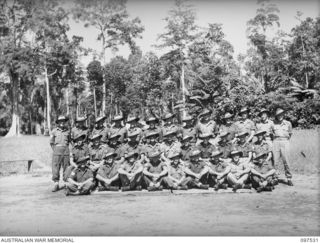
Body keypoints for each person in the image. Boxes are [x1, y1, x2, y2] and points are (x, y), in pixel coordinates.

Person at [271, 108, 293, 186]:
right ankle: (275, 178)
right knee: (275, 161)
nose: (280, 116)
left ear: (283, 114)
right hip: (276, 142)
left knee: (286, 161)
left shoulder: (288, 123)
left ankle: (289, 178)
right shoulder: (273, 123)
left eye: (281, 114)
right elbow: (271, 134)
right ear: (276, 116)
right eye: (278, 115)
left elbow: (290, 134)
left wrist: (284, 140)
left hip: (285, 142)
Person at [50, 115, 71, 192]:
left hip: (65, 150)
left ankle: (66, 183)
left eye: (63, 121)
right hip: (57, 150)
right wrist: (55, 150)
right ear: (58, 123)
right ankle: (56, 184)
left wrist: (67, 150)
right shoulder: (54, 131)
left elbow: (69, 141)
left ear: (65, 122)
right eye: (60, 121)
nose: (62, 123)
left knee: (66, 167)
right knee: (55, 167)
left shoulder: (68, 131)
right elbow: (51, 142)